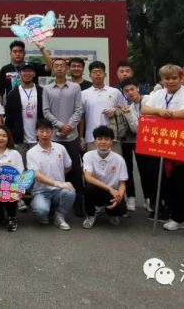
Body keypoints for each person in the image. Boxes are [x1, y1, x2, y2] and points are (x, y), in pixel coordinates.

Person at [141, 64, 184, 244]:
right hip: (163, 145)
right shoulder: (158, 93)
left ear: (181, 78)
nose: (170, 81)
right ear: (162, 80)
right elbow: (145, 110)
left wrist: (166, 114)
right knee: (167, 185)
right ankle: (177, 217)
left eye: (174, 78)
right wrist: (158, 111)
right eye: (166, 78)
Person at [42, 57, 84, 216]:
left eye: (62, 66)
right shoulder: (47, 89)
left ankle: (78, 203)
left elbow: (79, 110)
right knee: (55, 170)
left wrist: (69, 126)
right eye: (56, 66)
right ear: (53, 69)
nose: (59, 68)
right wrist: (60, 125)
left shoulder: (75, 87)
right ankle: (55, 203)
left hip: (71, 136)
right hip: (54, 137)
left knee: (75, 169)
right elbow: (46, 111)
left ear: (67, 69)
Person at [120, 79, 161, 216]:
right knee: (144, 171)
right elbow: (137, 129)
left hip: (156, 142)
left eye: (132, 89)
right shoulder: (130, 108)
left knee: (152, 173)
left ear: (137, 88)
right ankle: (150, 201)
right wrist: (128, 114)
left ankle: (153, 201)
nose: (130, 93)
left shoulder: (149, 99)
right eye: (126, 91)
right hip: (143, 141)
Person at [27, 119, 76, 230]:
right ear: (36, 132)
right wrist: (57, 183)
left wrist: (59, 180)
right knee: (41, 211)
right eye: (41, 131)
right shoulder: (31, 153)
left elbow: (68, 166)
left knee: (70, 190)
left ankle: (59, 215)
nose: (45, 134)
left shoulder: (60, 148)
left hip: (58, 191)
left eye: (48, 131)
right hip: (41, 192)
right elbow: (37, 175)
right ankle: (41, 206)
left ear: (52, 132)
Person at [81, 125, 128, 228]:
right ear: (95, 141)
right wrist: (109, 188)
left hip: (112, 193)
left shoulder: (119, 159)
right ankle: (91, 215)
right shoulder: (88, 155)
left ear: (111, 142)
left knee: (122, 209)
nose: (103, 142)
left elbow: (122, 183)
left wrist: (119, 196)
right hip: (96, 190)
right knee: (88, 189)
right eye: (99, 139)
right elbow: (88, 177)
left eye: (107, 139)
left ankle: (110, 213)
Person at [81, 61, 125, 152]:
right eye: (94, 72)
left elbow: (125, 110)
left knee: (115, 161)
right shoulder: (83, 94)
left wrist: (115, 110)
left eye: (100, 72)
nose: (97, 74)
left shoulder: (115, 92)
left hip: (113, 138)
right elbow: (81, 117)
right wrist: (81, 137)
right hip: (92, 138)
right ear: (90, 75)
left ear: (105, 74)